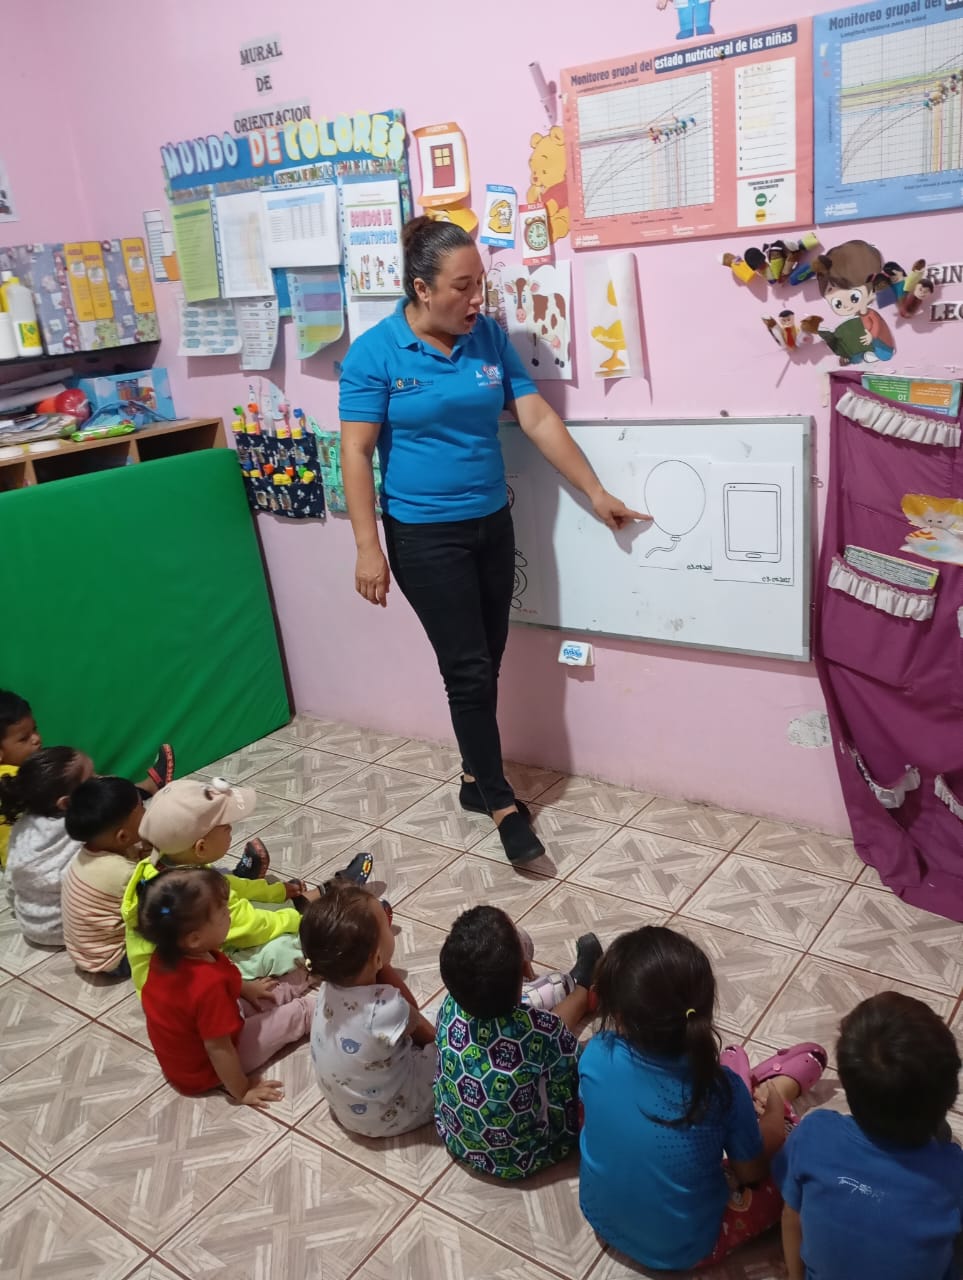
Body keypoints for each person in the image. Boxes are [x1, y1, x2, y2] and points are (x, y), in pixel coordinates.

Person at [339, 217, 648, 865]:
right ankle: (502, 802)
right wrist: (368, 547)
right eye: (463, 286)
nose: (477, 299)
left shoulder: (487, 339)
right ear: (422, 289)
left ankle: (471, 779)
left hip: (490, 524)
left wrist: (595, 493)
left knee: (489, 658)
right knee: (468, 670)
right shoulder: (375, 354)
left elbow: (535, 417)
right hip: (423, 536)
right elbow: (356, 452)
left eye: (480, 283)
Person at [578, 925, 826, 1271]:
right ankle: (780, 1090)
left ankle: (750, 1076)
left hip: (599, 1217)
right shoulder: (719, 1091)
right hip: (684, 1249)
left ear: (618, 1015)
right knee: (795, 1151)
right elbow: (751, 1171)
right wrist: (773, 1117)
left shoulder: (596, 1052)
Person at [775, 991, 963, 1280]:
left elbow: (791, 1217)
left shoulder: (814, 1134)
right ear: (949, 1095)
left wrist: (794, 1277)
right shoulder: (953, 1173)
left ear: (849, 1088)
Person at [434, 904, 596, 1179]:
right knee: (588, 1053)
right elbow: (569, 1081)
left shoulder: (449, 1006)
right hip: (526, 1155)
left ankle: (577, 986)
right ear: (525, 969)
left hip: (457, 1137)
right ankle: (582, 986)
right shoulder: (543, 1030)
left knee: (541, 1030)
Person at [138, 866, 315, 1106]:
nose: (230, 914)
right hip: (210, 1067)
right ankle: (344, 1009)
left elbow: (219, 979)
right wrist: (242, 1091)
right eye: (223, 912)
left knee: (272, 990)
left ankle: (312, 972)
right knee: (301, 1011)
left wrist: (246, 988)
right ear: (194, 938)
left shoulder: (170, 955)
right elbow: (218, 1049)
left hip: (207, 1039)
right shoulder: (207, 987)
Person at [122, 777, 318, 994]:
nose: (231, 828)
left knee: (261, 902)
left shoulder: (165, 866)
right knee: (284, 947)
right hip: (182, 988)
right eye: (225, 827)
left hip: (190, 952)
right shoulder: (195, 894)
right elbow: (250, 926)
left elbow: (229, 885)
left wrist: (276, 892)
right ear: (201, 848)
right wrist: (299, 920)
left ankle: (305, 903)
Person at [300, 882, 437, 1137]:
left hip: (347, 1114)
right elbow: (421, 1026)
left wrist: (377, 964)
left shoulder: (328, 985)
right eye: (386, 925)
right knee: (447, 1037)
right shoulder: (386, 1008)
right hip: (392, 1115)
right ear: (376, 958)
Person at [0, 687, 174, 869]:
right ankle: (148, 789)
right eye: (24, 738)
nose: (36, 738)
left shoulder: (26, 775)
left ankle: (147, 787)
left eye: (35, 729)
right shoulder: (13, 778)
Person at [1, 746, 94, 945]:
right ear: (65, 803)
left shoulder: (22, 824)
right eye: (92, 780)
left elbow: (11, 877)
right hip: (68, 929)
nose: (100, 779)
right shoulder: (81, 825)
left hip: (30, 924)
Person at [61, 775, 146, 976]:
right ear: (123, 836)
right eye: (142, 807)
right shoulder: (121, 872)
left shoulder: (90, 853)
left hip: (84, 953)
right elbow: (153, 904)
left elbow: (138, 855)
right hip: (114, 960)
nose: (147, 812)